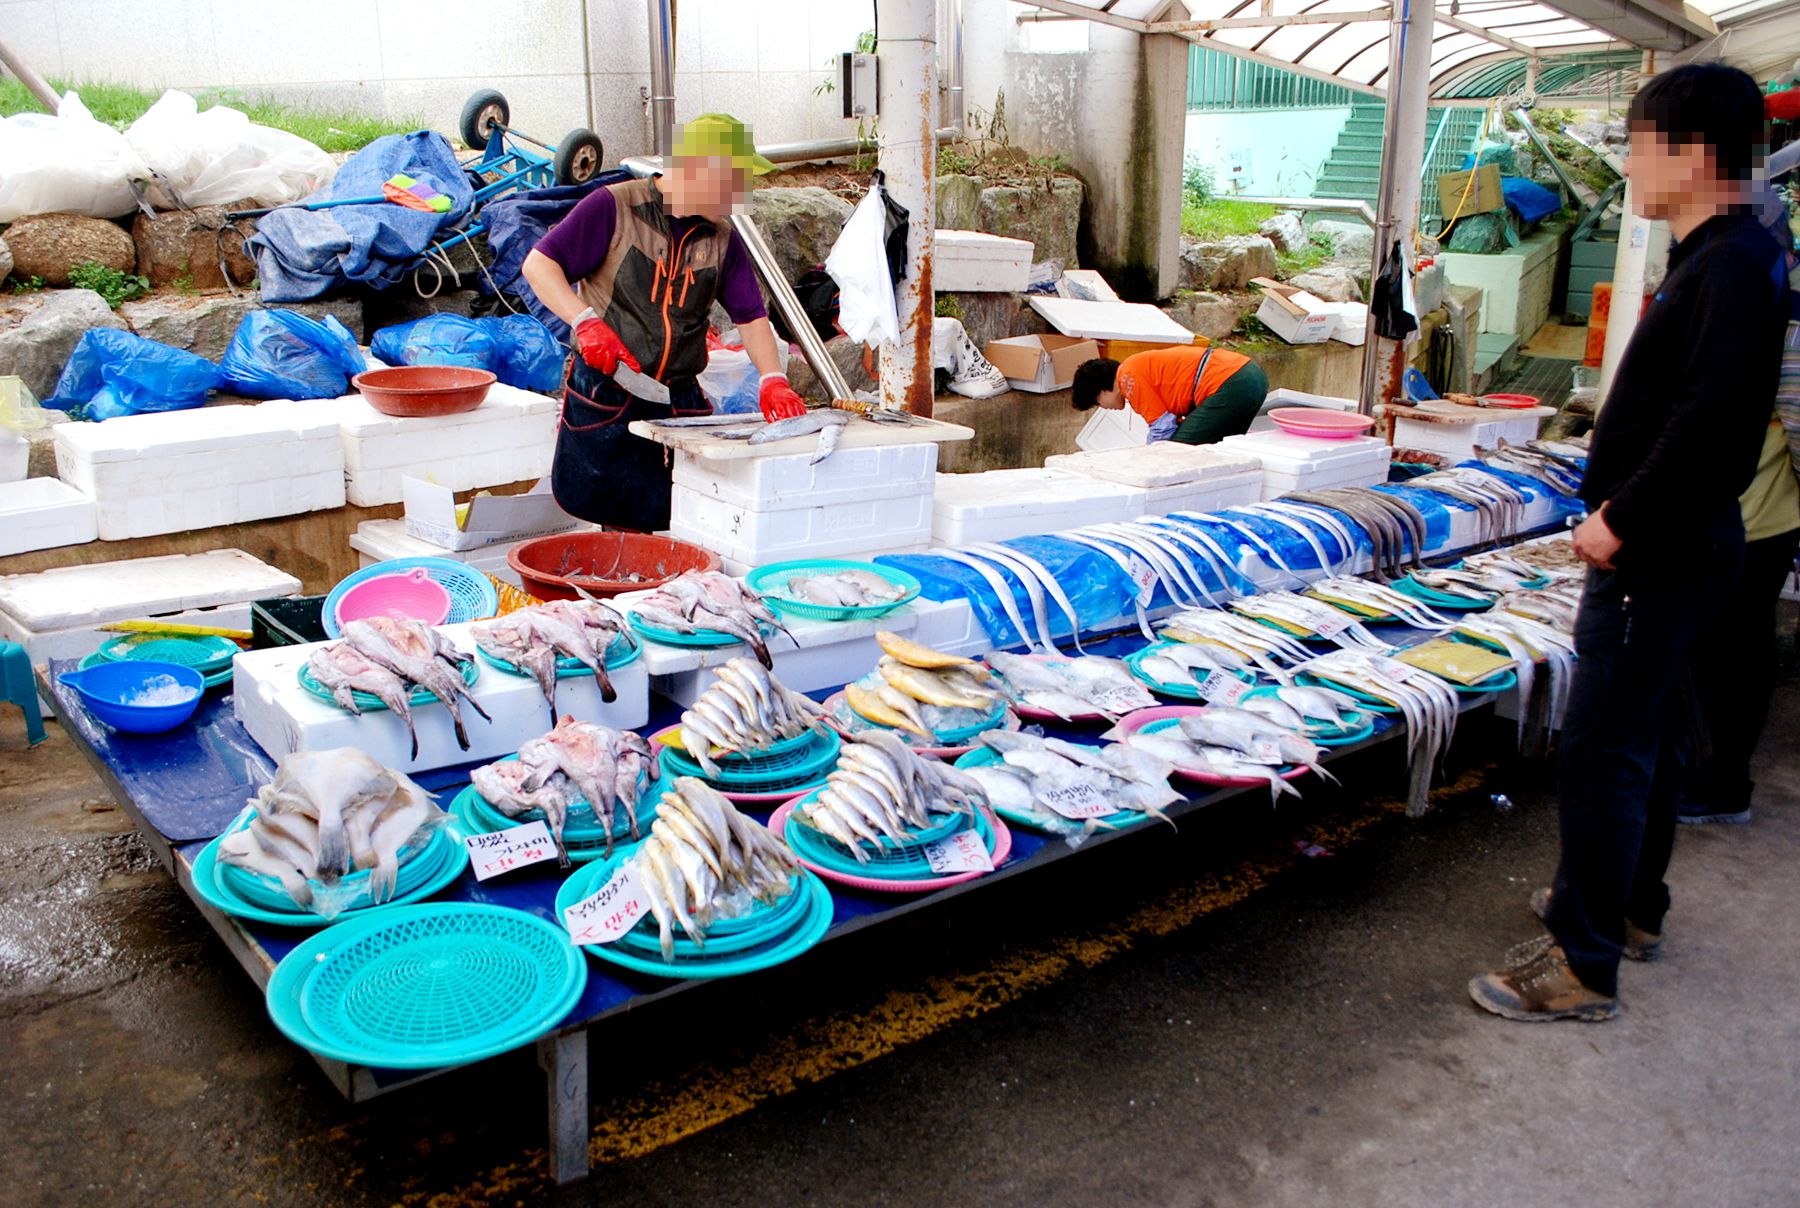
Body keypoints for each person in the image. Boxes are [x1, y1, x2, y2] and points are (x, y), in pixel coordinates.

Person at [1468, 64, 1792, 1023]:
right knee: (1644, 742)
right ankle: (1629, 908)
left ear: (1692, 154)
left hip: (1661, 552)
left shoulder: (1729, 263)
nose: (1630, 166)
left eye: (1641, 146)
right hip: (1686, 547)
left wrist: (1621, 517)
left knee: (1605, 750)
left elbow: (1711, 422)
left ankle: (1583, 963)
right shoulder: (1734, 251)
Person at [520, 113, 805, 532]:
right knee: (613, 519)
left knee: (680, 519)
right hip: (608, 390)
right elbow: (539, 265)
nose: (740, 196)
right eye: (735, 182)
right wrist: (584, 322)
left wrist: (772, 378)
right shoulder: (614, 206)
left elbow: (751, 316)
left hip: (678, 398)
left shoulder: (722, 238)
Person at [1069, 345, 1267, 444]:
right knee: (1224, 448)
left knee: (1176, 451)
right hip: (1250, 374)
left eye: (1097, 403)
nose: (1104, 407)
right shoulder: (1134, 368)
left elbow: (1162, 428)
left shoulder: (1127, 379)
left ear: (1102, 391)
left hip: (1232, 383)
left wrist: (1145, 460)